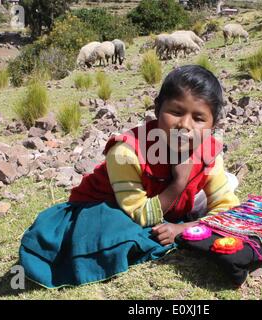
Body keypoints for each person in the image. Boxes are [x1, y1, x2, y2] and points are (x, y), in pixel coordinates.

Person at [19, 65, 240, 288]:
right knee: (116, 231)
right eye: (176, 112)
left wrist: (183, 229)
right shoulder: (127, 152)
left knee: (223, 188)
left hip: (162, 206)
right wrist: (179, 182)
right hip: (104, 208)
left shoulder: (209, 153)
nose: (184, 125)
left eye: (199, 118)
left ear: (213, 124)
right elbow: (139, 215)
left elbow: (228, 209)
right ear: (157, 109)